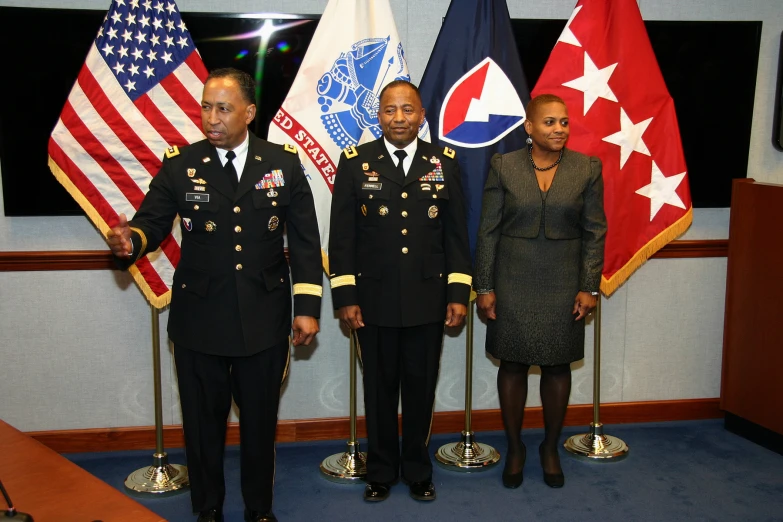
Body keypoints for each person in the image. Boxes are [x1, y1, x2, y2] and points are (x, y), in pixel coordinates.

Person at [106, 68, 323, 522]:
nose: (211, 117)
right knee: (203, 428)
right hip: (199, 320)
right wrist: (132, 243)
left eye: (223, 108)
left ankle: (259, 509)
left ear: (248, 112)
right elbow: (151, 222)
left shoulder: (282, 164)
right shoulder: (181, 164)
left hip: (262, 318)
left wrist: (307, 310)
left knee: (259, 425)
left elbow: (304, 242)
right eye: (205, 106)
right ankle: (207, 508)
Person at [328, 80, 472, 502]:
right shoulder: (356, 162)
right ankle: (381, 471)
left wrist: (458, 294)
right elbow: (342, 239)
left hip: (429, 300)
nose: (399, 118)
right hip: (372, 302)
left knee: (420, 388)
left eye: (407, 110)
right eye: (390, 110)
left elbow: (456, 236)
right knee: (379, 390)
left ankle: (417, 469)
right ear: (379, 115)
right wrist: (346, 297)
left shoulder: (443, 161)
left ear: (421, 115)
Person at [474, 94, 607, 489]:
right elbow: (488, 229)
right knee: (513, 363)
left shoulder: (587, 168)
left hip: (564, 280)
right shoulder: (504, 165)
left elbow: (595, 232)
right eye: (549, 122)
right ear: (529, 128)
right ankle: (515, 447)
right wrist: (484, 285)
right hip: (512, 277)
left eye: (564, 122)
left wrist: (589, 287)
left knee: (557, 364)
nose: (558, 129)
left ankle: (550, 447)